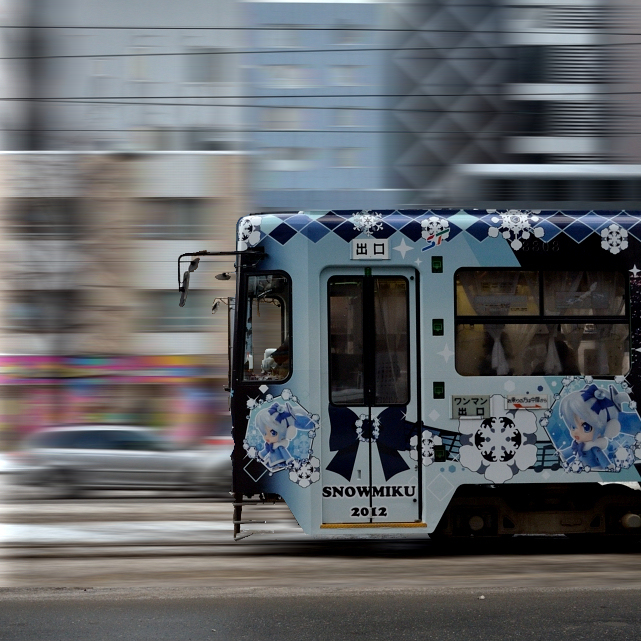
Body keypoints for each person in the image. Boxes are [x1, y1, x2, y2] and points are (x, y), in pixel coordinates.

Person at [558, 383, 628, 469]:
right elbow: (567, 452)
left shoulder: (594, 447)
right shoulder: (577, 444)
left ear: (609, 428)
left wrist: (608, 466)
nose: (575, 431)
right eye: (573, 426)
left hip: (595, 470)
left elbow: (602, 459)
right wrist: (560, 455)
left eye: (586, 427)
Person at [254, 400, 313, 471]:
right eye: (264, 433)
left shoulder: (280, 446)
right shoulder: (270, 446)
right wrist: (260, 456)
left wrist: (289, 461)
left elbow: (285, 454)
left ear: (289, 432)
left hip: (279, 463)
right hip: (270, 462)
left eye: (273, 433)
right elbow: (266, 451)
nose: (267, 437)